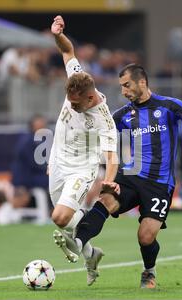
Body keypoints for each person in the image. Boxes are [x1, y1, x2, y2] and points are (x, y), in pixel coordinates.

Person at [66, 63, 182, 289]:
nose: (124, 91)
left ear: (142, 82)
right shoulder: (122, 115)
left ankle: (149, 272)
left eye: (127, 85)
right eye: (121, 87)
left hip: (159, 184)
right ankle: (78, 242)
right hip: (131, 175)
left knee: (146, 236)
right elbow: (96, 131)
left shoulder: (168, 106)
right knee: (106, 200)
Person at [48, 15, 119, 286]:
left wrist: (109, 181)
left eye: (76, 104)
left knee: (61, 217)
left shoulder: (104, 119)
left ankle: (81, 247)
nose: (71, 106)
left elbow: (112, 156)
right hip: (57, 161)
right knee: (65, 225)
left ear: (90, 97)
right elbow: (68, 51)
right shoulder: (77, 78)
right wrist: (57, 35)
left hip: (82, 168)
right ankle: (91, 255)